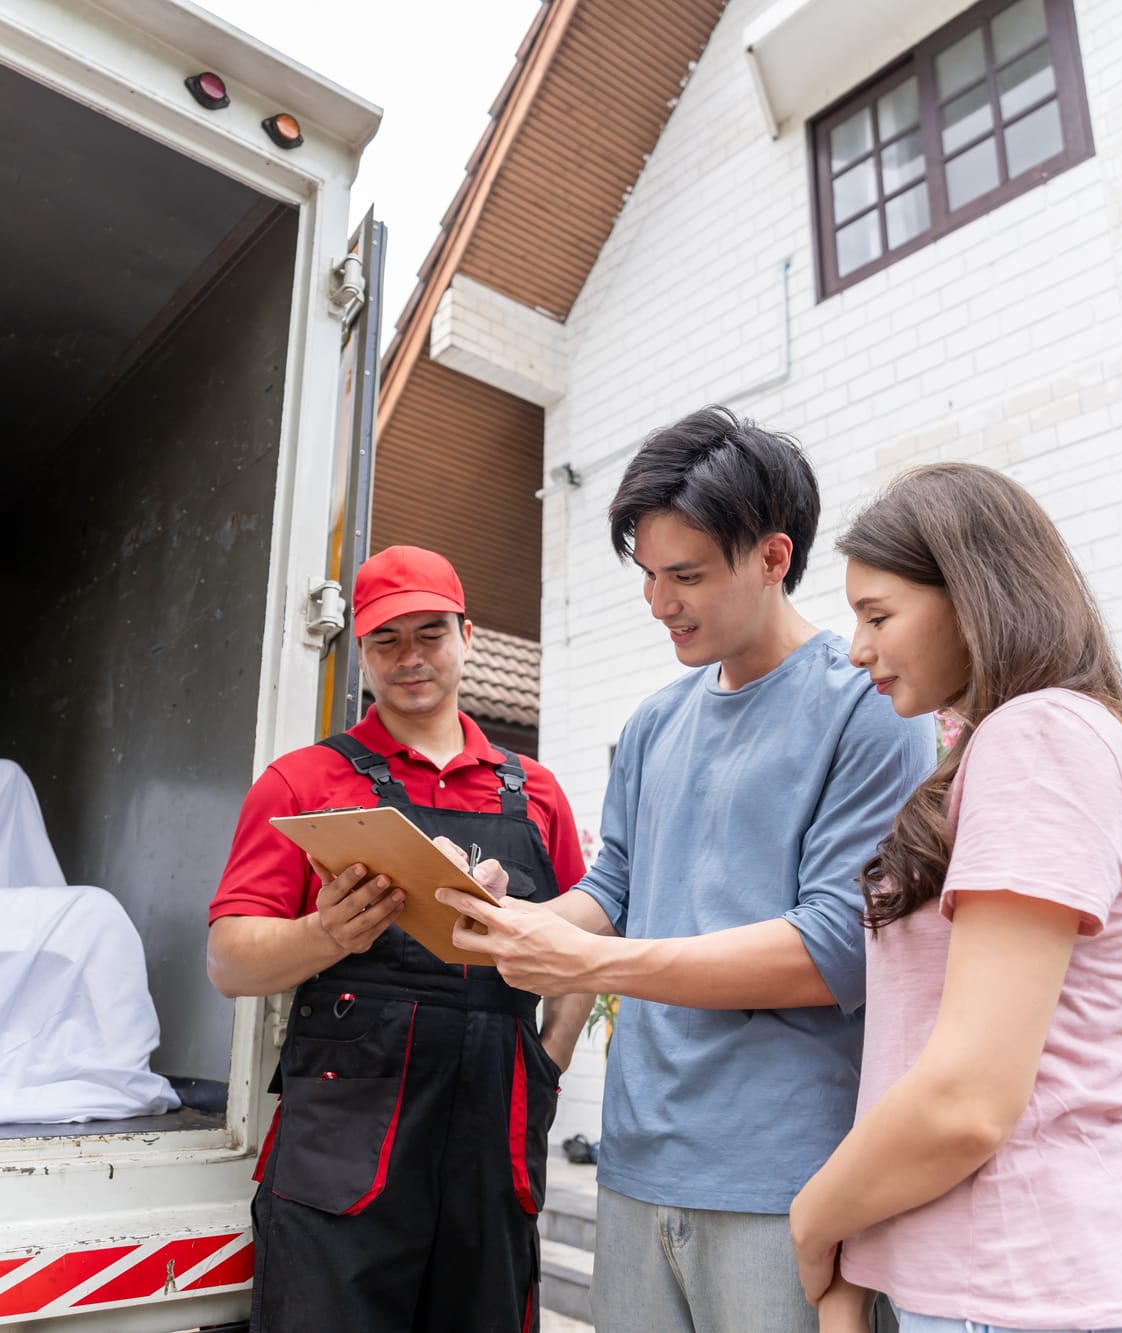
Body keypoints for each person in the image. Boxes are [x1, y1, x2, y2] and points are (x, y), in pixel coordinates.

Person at [438, 407, 934, 1333]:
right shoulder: (655, 723)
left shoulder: (868, 707)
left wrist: (592, 962)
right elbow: (615, 891)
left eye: (688, 575)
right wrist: (515, 918)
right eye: (649, 574)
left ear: (774, 557)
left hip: (788, 1175)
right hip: (636, 1159)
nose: (660, 601)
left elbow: (836, 949)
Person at [787, 462, 1122, 1333]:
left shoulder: (1038, 737)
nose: (858, 649)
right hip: (1006, 1283)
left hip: (1034, 1287)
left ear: (971, 595)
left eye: (878, 615)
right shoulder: (1025, 740)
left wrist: (813, 1218)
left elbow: (968, 1100)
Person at [206, 544, 594, 1333]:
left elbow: (584, 943)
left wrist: (546, 1064)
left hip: (493, 1146)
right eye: (387, 639)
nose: (410, 657)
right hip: (340, 1160)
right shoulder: (303, 781)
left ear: (468, 636)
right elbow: (228, 958)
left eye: (431, 633)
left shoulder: (537, 793)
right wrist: (326, 932)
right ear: (362, 651)